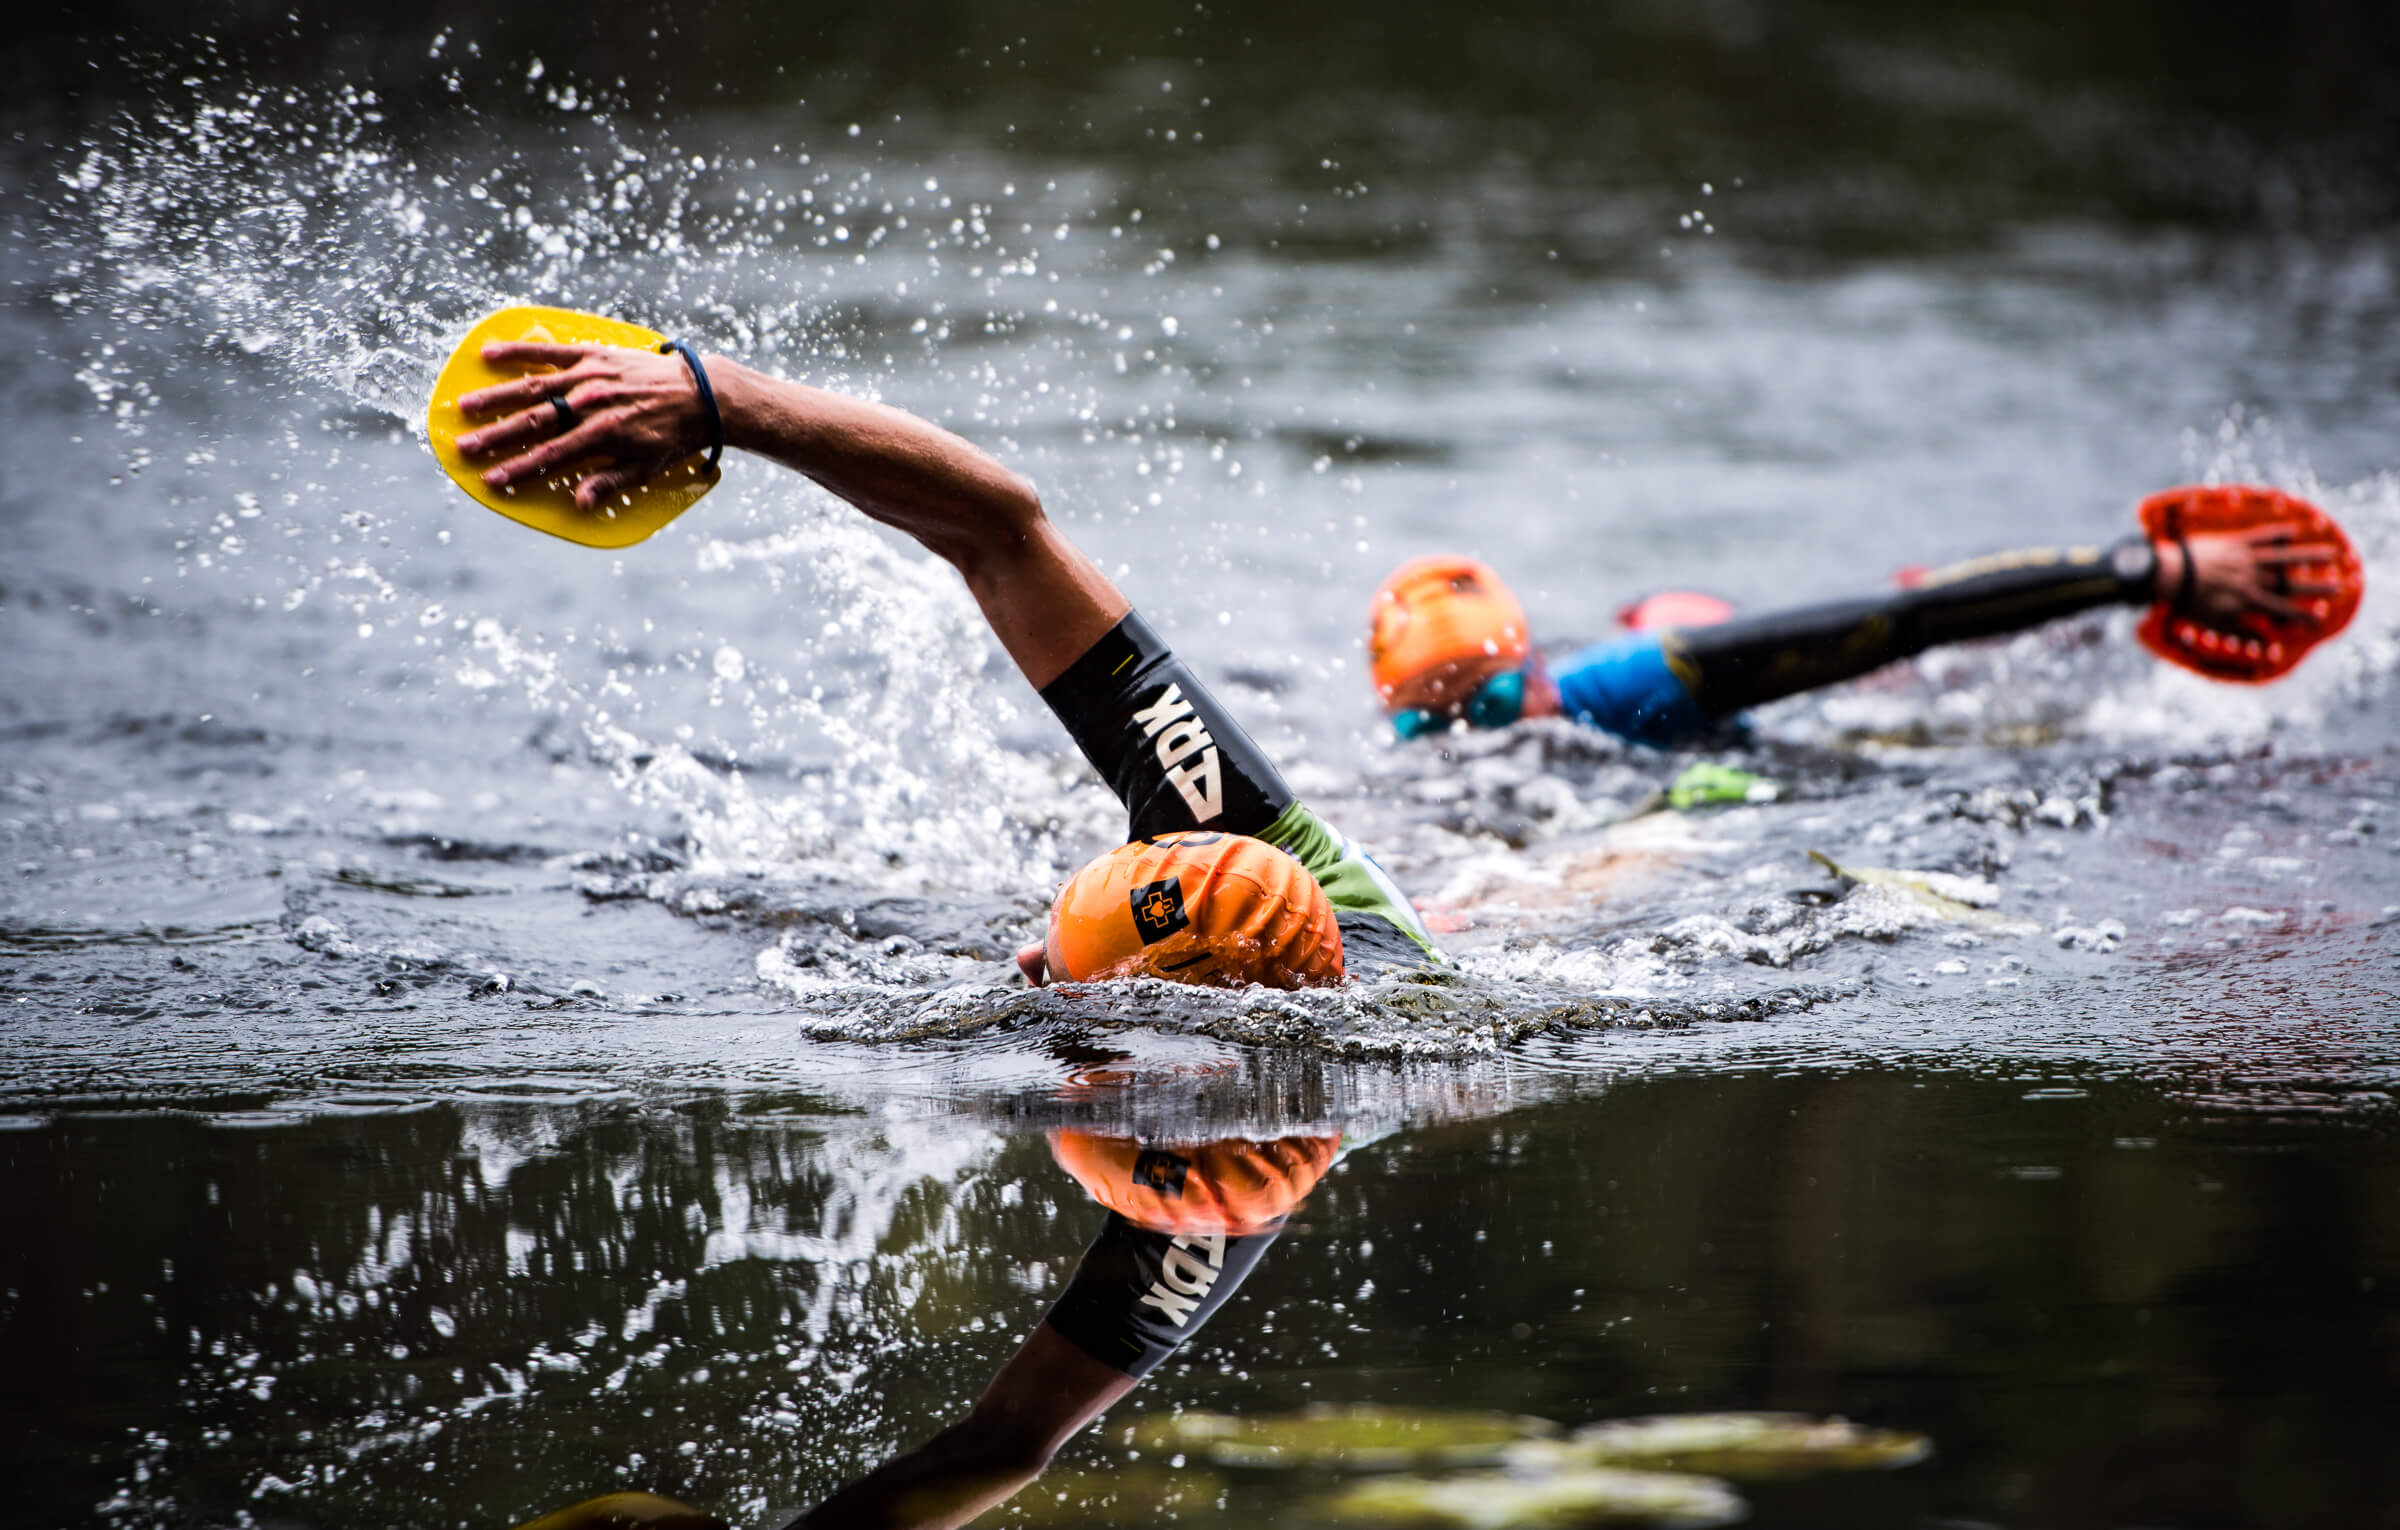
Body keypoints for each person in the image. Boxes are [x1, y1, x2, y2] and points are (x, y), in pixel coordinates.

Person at [452, 338, 1438, 985]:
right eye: (1048, 956)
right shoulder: (1232, 824)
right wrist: (723, 401)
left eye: (1050, 964)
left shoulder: (1247, 1163)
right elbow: (1000, 530)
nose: (1024, 958)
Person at [1369, 525, 2352, 744]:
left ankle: (2064, 624)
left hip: (1836, 699)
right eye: (1435, 723)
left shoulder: (1638, 683)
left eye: (1491, 700)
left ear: (1533, 667)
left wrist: (2149, 569)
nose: (1473, 736)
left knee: (1921, 680)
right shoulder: (1423, 774)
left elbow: (1901, 625)